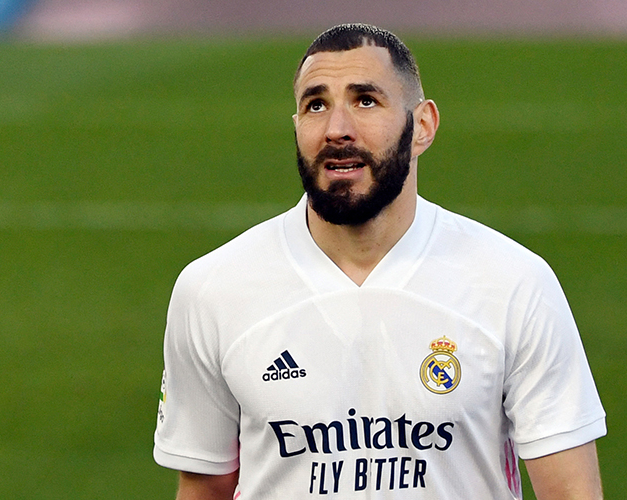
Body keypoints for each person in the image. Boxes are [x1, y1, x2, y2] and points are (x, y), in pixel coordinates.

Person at [153, 23, 606, 499]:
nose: (337, 129)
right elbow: (204, 488)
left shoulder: (514, 282)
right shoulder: (212, 289)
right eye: (316, 105)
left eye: (365, 101)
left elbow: (572, 492)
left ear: (423, 126)